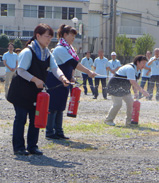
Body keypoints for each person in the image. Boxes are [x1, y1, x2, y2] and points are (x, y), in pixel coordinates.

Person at [6, 23, 69, 155]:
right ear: (38, 35)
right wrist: (35, 79)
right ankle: (19, 147)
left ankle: (32, 146)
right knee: (21, 118)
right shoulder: (28, 51)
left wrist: (62, 78)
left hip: (36, 92)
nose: (48, 40)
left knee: (35, 118)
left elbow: (55, 68)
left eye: (50, 38)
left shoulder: (47, 53)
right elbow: (21, 71)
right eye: (47, 37)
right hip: (21, 91)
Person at [45, 24, 97, 140]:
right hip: (55, 81)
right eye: (71, 35)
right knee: (53, 107)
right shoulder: (60, 49)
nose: (73, 37)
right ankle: (50, 132)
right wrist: (88, 72)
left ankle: (59, 131)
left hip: (65, 81)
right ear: (64, 35)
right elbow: (73, 63)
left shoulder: (69, 49)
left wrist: (72, 77)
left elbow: (70, 66)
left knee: (60, 107)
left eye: (74, 35)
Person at [105, 55, 150, 126]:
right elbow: (133, 82)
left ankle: (129, 122)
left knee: (130, 103)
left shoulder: (138, 71)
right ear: (137, 62)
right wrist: (143, 91)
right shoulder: (130, 68)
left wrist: (135, 93)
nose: (144, 65)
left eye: (145, 63)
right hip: (115, 86)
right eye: (143, 63)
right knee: (118, 104)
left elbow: (134, 83)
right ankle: (108, 120)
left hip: (125, 88)